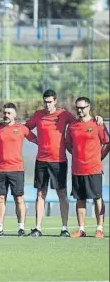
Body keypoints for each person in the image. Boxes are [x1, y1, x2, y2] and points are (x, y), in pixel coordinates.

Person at [25, 89, 103, 237]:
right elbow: (25, 128)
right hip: (41, 160)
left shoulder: (64, 114)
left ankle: (64, 228)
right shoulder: (38, 115)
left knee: (62, 194)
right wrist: (34, 139)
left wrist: (97, 118)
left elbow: (81, 122)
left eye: (50, 102)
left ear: (55, 101)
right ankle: (38, 228)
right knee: (40, 194)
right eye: (45, 102)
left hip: (59, 161)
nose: (48, 105)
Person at [0, 103, 37, 237]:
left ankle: (21, 228)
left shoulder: (21, 128)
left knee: (19, 199)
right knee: (0, 199)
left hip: (17, 170)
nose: (6, 115)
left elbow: (36, 140)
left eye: (9, 113)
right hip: (0, 170)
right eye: (5, 113)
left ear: (15, 115)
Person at [65, 97, 109, 238]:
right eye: (77, 107)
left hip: (94, 169)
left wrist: (99, 157)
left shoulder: (98, 123)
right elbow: (68, 145)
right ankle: (81, 229)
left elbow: (107, 143)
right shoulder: (72, 126)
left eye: (82, 107)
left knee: (97, 198)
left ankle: (100, 228)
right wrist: (77, 155)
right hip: (77, 169)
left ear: (89, 107)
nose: (79, 110)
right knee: (80, 199)